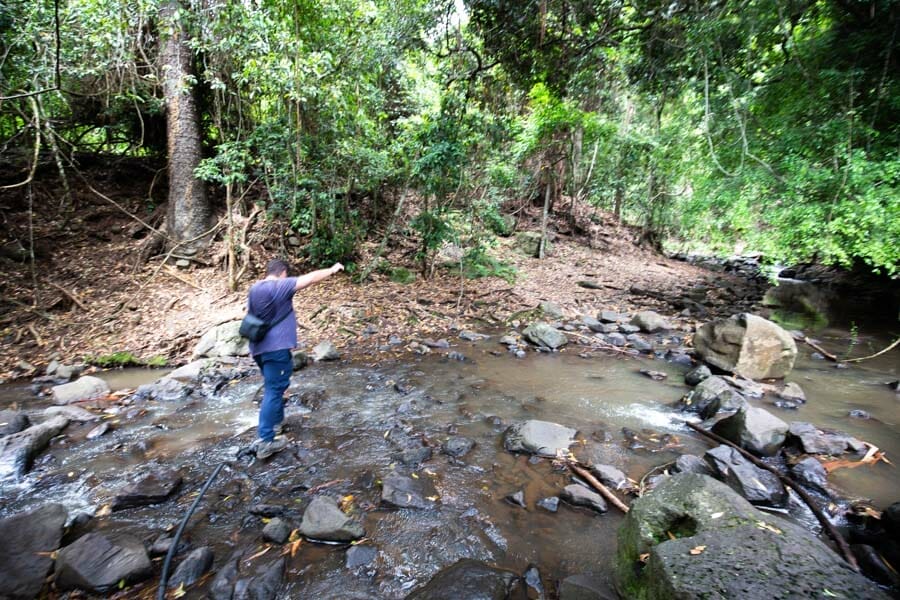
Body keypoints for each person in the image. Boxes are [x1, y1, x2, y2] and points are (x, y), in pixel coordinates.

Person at [247, 258, 344, 458]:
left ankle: (276, 424)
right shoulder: (279, 286)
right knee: (274, 390)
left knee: (276, 387)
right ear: (283, 272)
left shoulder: (255, 288)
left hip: (258, 348)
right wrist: (332, 269)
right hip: (276, 348)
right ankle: (266, 441)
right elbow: (310, 278)